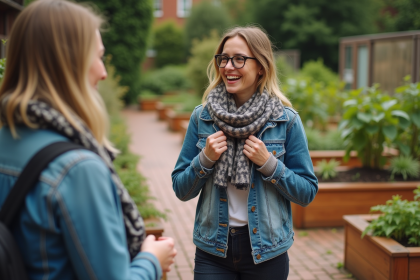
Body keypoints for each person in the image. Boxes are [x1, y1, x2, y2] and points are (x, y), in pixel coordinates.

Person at [0, 0, 176, 279]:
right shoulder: (78, 169)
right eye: (98, 56)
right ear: (68, 65)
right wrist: (152, 261)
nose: (103, 72)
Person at [172, 26, 318, 280]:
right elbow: (181, 189)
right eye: (224, 59)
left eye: (239, 58)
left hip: (266, 250)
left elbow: (306, 192)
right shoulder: (202, 118)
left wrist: (270, 165)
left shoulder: (285, 121)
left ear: (261, 66)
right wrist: (204, 160)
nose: (228, 66)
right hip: (213, 250)